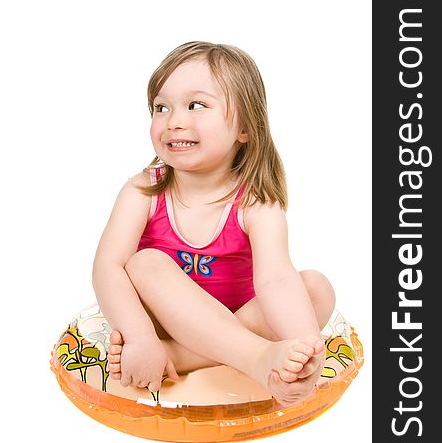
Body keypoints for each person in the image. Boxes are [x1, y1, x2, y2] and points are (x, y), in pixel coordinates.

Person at [92, 41, 336, 406]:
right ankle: (254, 357)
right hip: (161, 320)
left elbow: (276, 279)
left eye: (196, 105)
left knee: (315, 288)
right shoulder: (142, 190)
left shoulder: (256, 203)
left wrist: (305, 354)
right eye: (161, 107)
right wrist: (140, 336)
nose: (173, 120)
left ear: (245, 128)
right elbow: (106, 268)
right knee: (145, 263)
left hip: (239, 320)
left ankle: (178, 357)